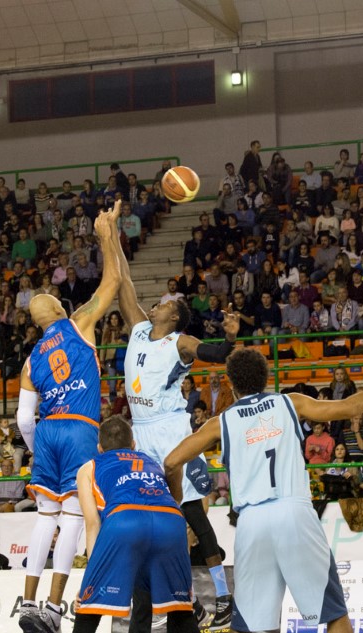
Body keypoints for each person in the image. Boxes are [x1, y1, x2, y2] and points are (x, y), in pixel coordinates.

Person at [164, 351, 363, 633]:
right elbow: (350, 407)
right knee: (334, 614)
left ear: (231, 383)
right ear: (265, 378)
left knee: (252, 626)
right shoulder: (291, 402)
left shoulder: (221, 422)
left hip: (251, 522)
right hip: (293, 511)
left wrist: (176, 496)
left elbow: (171, 462)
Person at [116, 237, 240, 626]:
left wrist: (231, 336)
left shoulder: (179, 342)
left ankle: (224, 597)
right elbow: (123, 285)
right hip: (142, 432)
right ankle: (187, 600)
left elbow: (218, 355)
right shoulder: (139, 330)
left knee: (192, 515)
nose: (158, 303)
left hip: (171, 432)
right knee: (155, 519)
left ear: (174, 317)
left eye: (166, 304)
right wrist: (113, 240)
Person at [16, 202, 123, 633]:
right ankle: (54, 608)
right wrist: (106, 236)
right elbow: (113, 282)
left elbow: (24, 419)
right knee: (74, 518)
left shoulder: (30, 360)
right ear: (60, 310)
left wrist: (36, 446)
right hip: (80, 427)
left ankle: (26, 603)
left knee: (45, 517)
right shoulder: (78, 323)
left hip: (46, 431)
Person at [73, 416, 198, 633]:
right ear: (133, 445)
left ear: (99, 448)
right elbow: (173, 496)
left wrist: (91, 580)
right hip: (171, 520)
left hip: (125, 519)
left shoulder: (88, 467)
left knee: (89, 607)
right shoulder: (151, 461)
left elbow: (93, 524)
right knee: (180, 610)